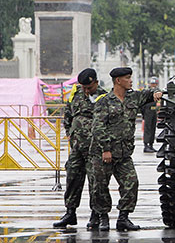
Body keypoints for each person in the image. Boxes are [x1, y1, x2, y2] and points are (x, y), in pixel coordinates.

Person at [89, 67, 163, 231]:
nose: (131, 81)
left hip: (123, 154)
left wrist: (157, 93)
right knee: (99, 187)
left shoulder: (133, 98)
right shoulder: (104, 101)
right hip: (103, 154)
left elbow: (151, 93)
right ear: (118, 81)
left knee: (131, 184)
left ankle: (123, 218)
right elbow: (98, 127)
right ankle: (103, 218)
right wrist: (105, 149)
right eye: (128, 78)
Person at [53, 68, 107, 229]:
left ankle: (96, 215)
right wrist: (70, 133)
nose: (86, 90)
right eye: (83, 87)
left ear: (96, 83)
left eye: (89, 87)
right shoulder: (75, 95)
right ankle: (70, 213)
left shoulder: (104, 97)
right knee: (72, 179)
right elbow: (68, 115)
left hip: (94, 148)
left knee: (96, 182)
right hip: (77, 148)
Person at [142, 77, 160, 153]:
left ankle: (151, 145)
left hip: (154, 111)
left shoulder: (157, 91)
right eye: (152, 83)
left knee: (153, 128)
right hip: (148, 111)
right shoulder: (146, 91)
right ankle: (146, 145)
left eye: (155, 83)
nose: (154, 85)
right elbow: (142, 104)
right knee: (147, 128)